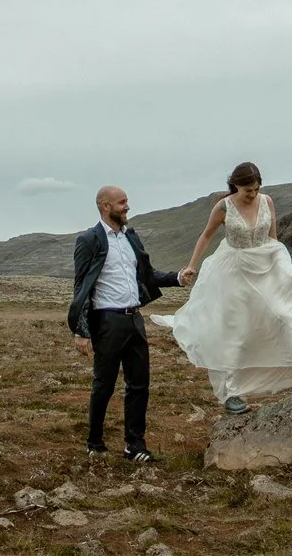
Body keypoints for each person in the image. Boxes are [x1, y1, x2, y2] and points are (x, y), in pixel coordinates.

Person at [151, 162, 292, 414]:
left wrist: (282, 267)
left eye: (256, 189)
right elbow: (206, 236)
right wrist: (192, 265)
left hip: (266, 267)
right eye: (248, 190)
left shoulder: (267, 202)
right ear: (236, 185)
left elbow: (273, 238)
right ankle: (230, 394)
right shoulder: (223, 207)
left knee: (285, 314)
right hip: (234, 272)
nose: (253, 194)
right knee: (237, 329)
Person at [67, 184, 192, 462]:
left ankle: (134, 446)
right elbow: (81, 288)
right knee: (104, 385)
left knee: (139, 385)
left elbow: (148, 274)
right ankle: (95, 443)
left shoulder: (131, 237)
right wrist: (81, 329)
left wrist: (177, 278)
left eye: (127, 202)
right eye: (122, 202)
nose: (128, 207)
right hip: (107, 323)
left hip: (134, 320)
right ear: (105, 206)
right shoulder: (89, 240)